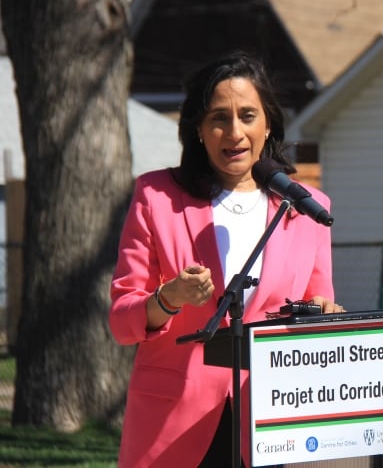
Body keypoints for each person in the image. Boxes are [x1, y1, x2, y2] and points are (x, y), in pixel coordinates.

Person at [109, 51, 342, 468]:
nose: (234, 132)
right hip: (176, 419)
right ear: (198, 129)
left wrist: (325, 314)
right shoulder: (156, 197)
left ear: (268, 123)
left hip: (273, 418)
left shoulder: (307, 207)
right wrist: (169, 298)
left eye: (247, 115)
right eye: (219, 118)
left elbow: (318, 303)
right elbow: (122, 320)